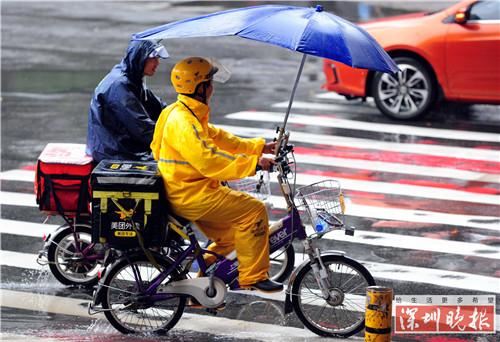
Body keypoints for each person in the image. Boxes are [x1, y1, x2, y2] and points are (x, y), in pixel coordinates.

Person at [151, 57, 283, 293]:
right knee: (254, 211)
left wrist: (259, 146)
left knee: (232, 238)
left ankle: (201, 290)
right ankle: (253, 277)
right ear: (199, 87)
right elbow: (208, 159)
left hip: (188, 190)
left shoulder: (183, 112)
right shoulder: (184, 122)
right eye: (209, 82)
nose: (212, 87)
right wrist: (254, 164)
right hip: (191, 195)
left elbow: (220, 138)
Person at [86, 39, 169, 163]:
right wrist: (175, 138)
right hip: (114, 150)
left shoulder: (133, 78)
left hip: (124, 143)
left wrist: (181, 118)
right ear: (140, 59)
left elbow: (159, 108)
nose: (157, 63)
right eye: (154, 59)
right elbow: (142, 128)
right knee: (173, 162)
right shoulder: (120, 85)